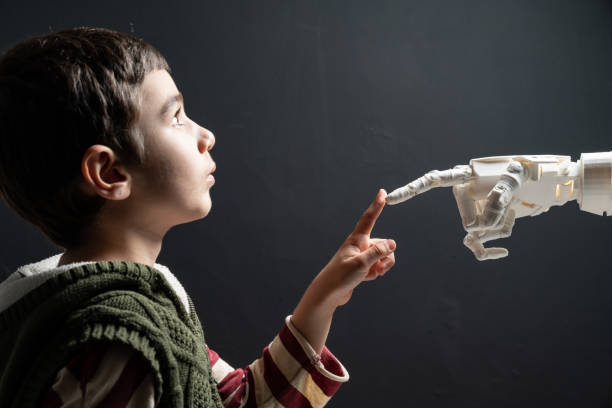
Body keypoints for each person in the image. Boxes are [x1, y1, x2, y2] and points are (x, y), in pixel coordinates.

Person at [0, 27, 397, 408]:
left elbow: (240, 402)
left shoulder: (118, 307)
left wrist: (323, 298)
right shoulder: (120, 344)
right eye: (175, 117)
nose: (205, 135)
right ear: (110, 174)